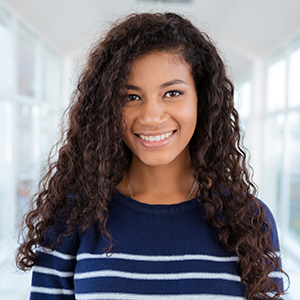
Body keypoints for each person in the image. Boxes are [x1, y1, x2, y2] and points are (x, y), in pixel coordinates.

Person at [16, 12, 287, 300]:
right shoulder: (72, 218)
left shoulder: (250, 221)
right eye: (131, 97)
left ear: (202, 100)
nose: (151, 117)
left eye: (172, 93)